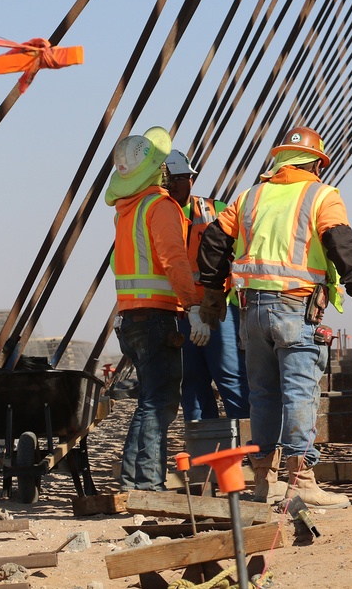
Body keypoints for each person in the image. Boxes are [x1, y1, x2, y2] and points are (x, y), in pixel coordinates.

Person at [196, 126, 352, 507]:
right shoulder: (322, 195)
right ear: (315, 162)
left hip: (252, 311)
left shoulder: (249, 198)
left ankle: (265, 480)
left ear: (279, 160)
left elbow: (214, 241)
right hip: (295, 309)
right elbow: (341, 246)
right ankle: (303, 482)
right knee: (300, 392)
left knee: (263, 394)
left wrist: (212, 296)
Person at [106, 126, 211, 491]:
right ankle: (147, 483)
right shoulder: (159, 206)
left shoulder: (125, 211)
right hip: (157, 318)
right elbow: (174, 260)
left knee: (150, 400)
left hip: (130, 317)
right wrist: (193, 307)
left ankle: (136, 481)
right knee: (161, 402)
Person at [163, 150, 249, 422]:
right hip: (180, 313)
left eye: (180, 178)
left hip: (218, 310)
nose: (174, 184)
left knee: (231, 378)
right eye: (169, 179)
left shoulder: (216, 211)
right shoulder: (158, 214)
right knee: (192, 382)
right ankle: (204, 449)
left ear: (191, 179)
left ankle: (249, 447)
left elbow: (242, 251)